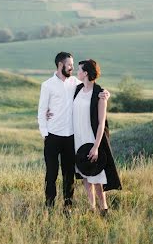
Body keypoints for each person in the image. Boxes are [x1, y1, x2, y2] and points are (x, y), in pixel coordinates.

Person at [37, 52, 110, 211]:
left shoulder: (75, 83)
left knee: (69, 175)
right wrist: (45, 134)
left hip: (71, 137)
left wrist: (105, 93)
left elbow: (92, 87)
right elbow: (42, 111)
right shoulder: (47, 85)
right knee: (51, 174)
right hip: (52, 136)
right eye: (70, 65)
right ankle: (49, 205)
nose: (72, 68)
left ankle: (67, 207)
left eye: (73, 65)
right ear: (60, 65)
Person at [73, 59, 121, 214]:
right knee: (85, 173)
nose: (77, 72)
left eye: (79, 70)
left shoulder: (99, 93)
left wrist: (96, 147)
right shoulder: (77, 89)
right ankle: (91, 208)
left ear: (85, 72)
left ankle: (104, 209)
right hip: (78, 138)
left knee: (98, 176)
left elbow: (101, 123)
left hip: (93, 139)